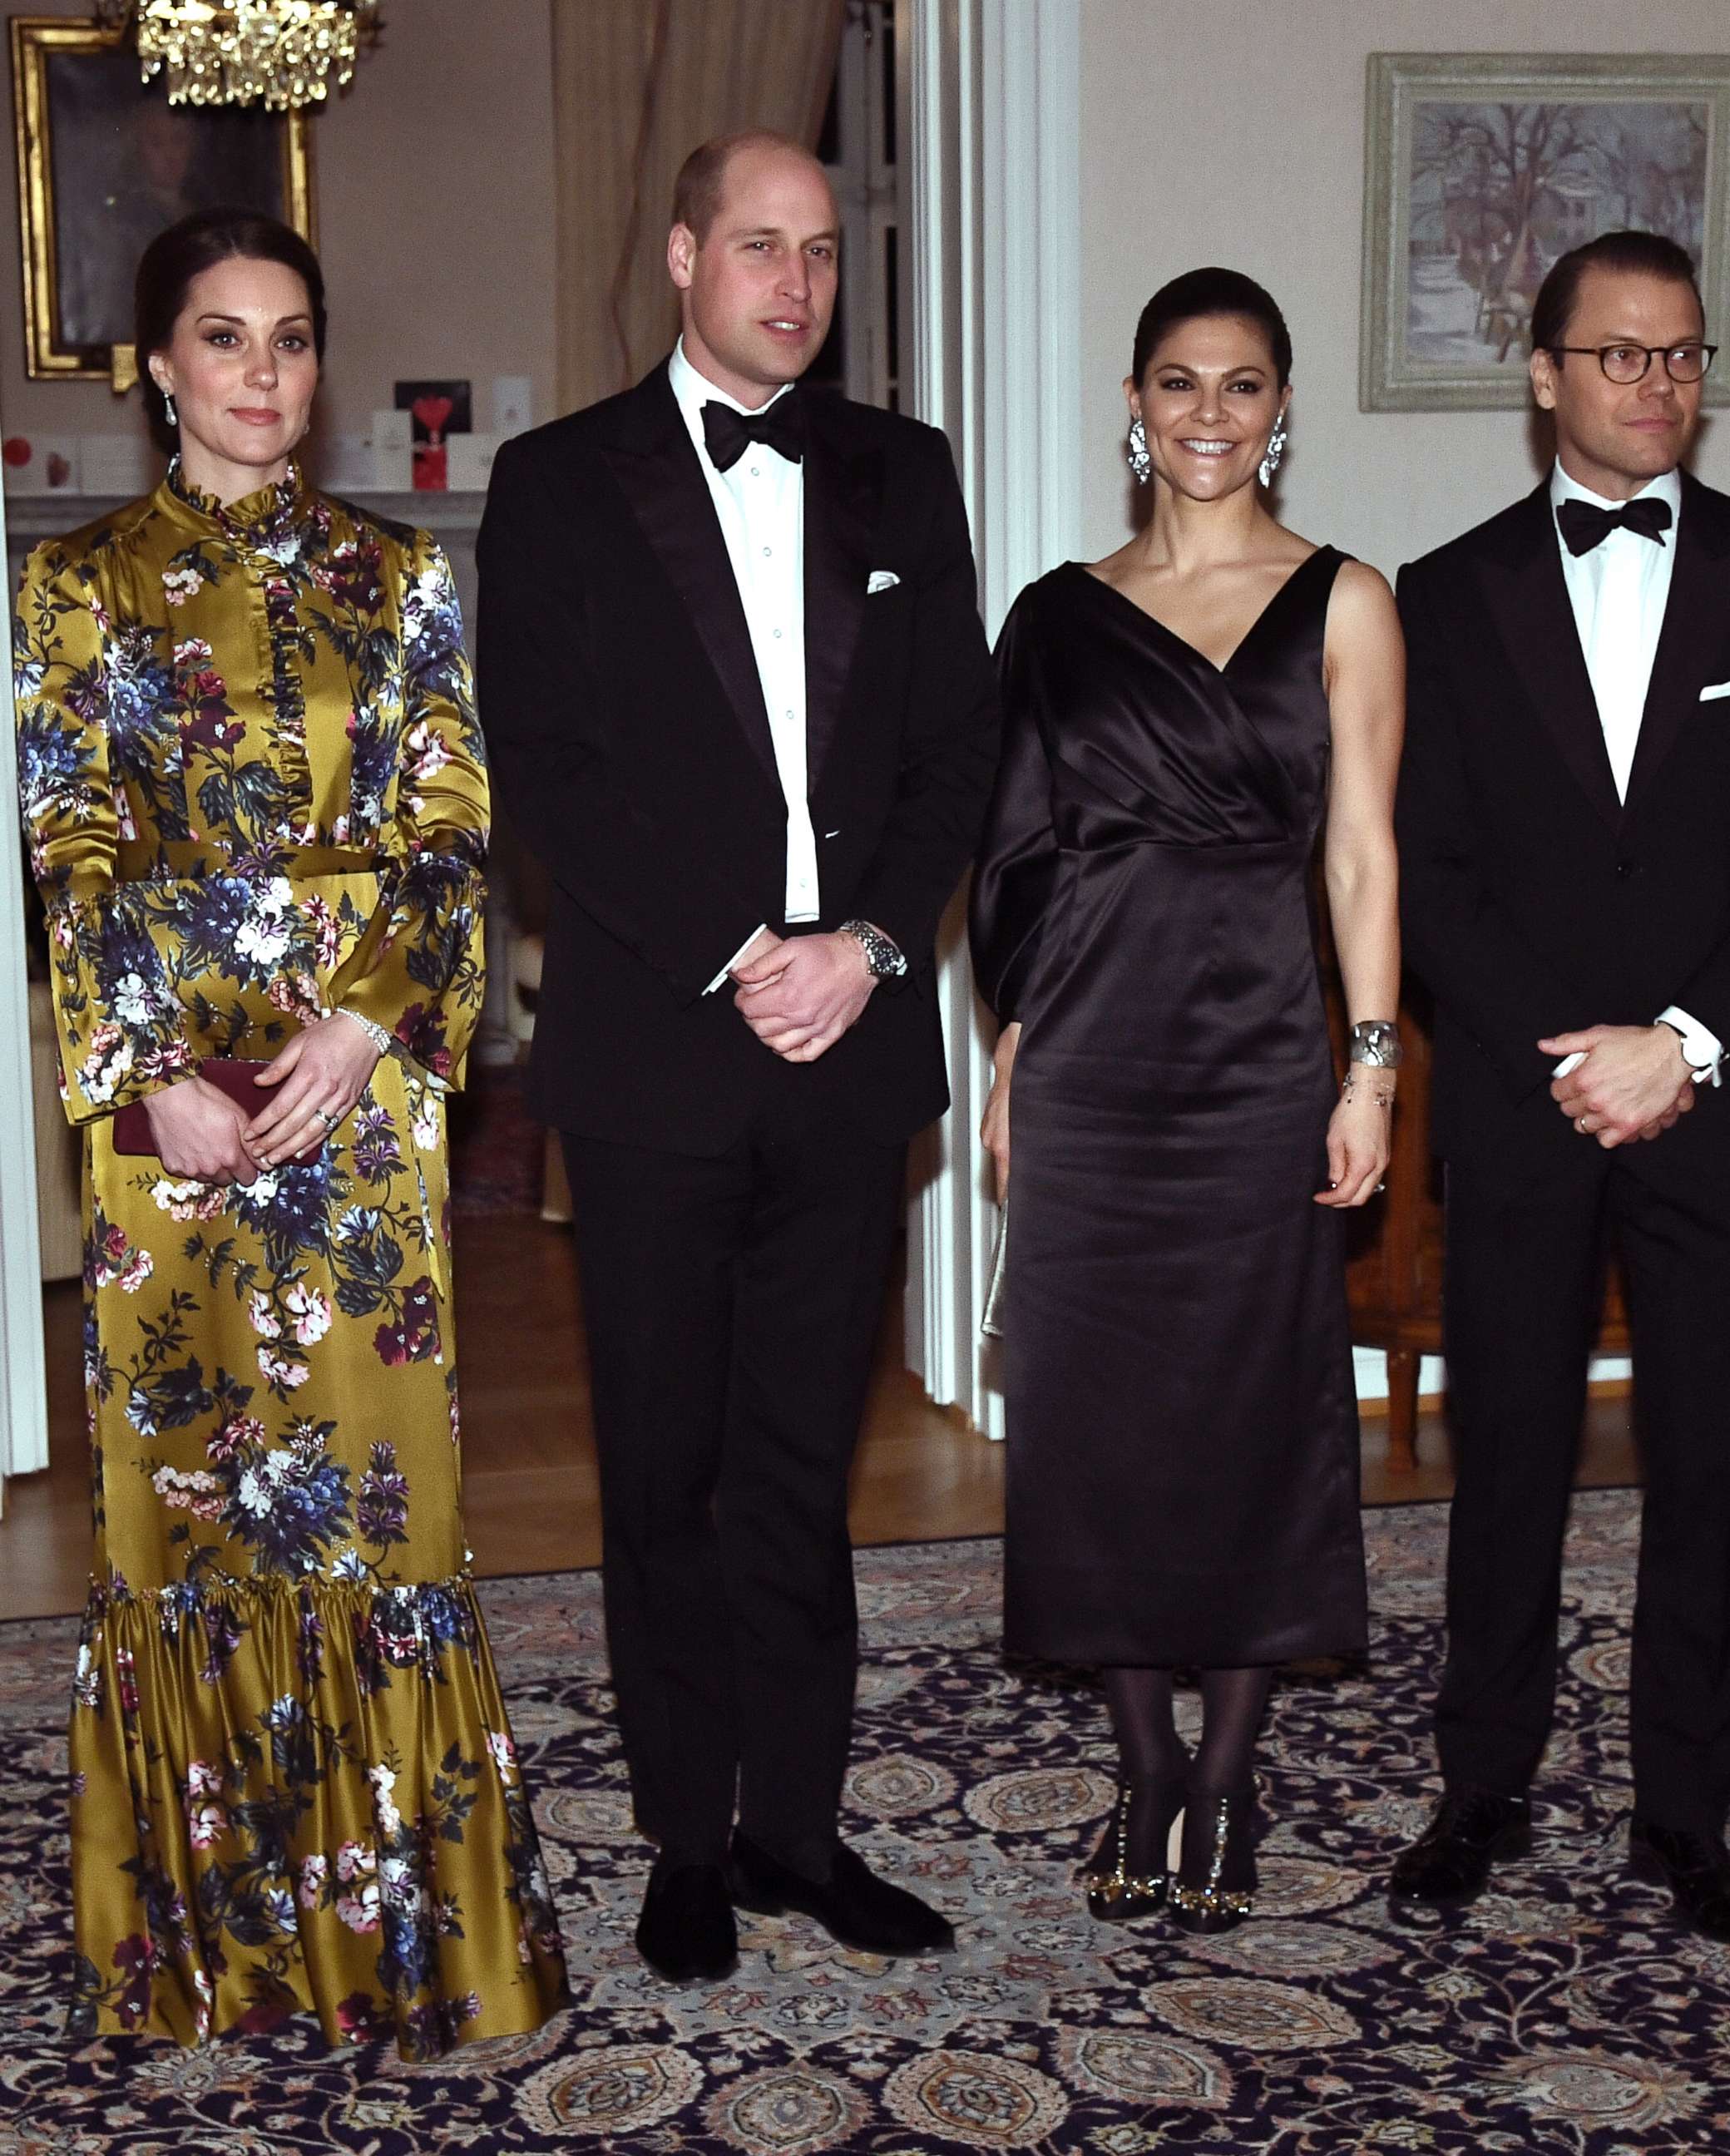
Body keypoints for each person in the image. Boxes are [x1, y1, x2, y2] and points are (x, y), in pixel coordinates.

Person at [12, 209, 568, 2053]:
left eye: (293, 337)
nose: (265, 373)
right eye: (226, 338)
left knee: (373, 1521)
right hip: (163, 1117)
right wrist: (146, 1065)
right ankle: (203, 1954)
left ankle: (408, 1947)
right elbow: (68, 839)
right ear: (159, 364)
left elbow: (452, 833)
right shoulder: (71, 585)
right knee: (184, 1520)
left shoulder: (400, 577)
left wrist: (364, 1022)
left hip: (359, 1105)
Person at [476, 131, 999, 1985]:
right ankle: (684, 1840)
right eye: (760, 246)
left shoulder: (903, 473)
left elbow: (961, 753)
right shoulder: (554, 488)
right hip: (656, 1056)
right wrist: (736, 956)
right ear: (685, 252)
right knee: (664, 1474)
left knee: (799, 1469)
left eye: (823, 254)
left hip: (850, 1054)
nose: (796, 281)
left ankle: (799, 1829)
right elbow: (548, 770)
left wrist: (862, 952)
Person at [1388, 230, 1730, 1941]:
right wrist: (1578, 1057)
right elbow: (1427, 869)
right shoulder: (1438, 596)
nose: (1657, 385)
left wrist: (1682, 1044)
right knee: (1506, 1454)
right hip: (1526, 1105)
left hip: (1720, 1101)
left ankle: (1690, 1813)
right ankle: (1483, 1785)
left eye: (1680, 356)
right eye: (1620, 355)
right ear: (1544, 378)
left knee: (1713, 1461)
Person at [971, 269, 1402, 1931]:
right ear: (1132, 406)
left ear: (1282, 410)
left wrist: (1370, 1065)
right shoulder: (1057, 613)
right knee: (1096, 1422)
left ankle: (1225, 1779)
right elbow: (1015, 855)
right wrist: (1011, 1050)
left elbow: (1362, 855)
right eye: (1178, 381)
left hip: (1260, 1057)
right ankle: (1143, 1765)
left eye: (1242, 385)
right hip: (1090, 1055)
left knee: (1247, 1413)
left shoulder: (1348, 600)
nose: (1209, 414)